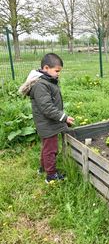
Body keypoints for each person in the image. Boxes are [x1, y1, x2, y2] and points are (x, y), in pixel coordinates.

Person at [19, 53, 74, 183]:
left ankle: (43, 168)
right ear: (46, 68)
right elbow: (47, 108)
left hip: (49, 123)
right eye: (57, 71)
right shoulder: (41, 85)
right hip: (47, 124)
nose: (58, 74)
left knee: (47, 147)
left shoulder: (46, 81)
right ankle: (51, 176)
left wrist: (62, 118)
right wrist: (64, 117)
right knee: (51, 149)